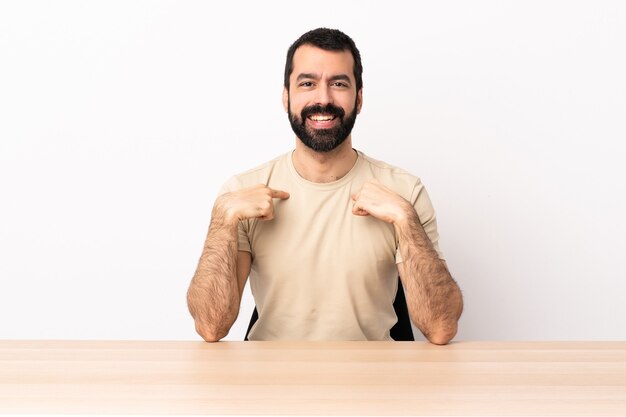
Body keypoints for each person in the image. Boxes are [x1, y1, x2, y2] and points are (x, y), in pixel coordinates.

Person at [186, 28, 463, 344]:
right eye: (307, 84)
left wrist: (405, 219)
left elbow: (441, 327)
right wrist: (222, 222)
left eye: (339, 84)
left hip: (373, 383)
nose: (323, 98)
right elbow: (210, 326)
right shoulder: (242, 192)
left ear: (358, 99)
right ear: (286, 97)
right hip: (270, 383)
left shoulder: (403, 192)